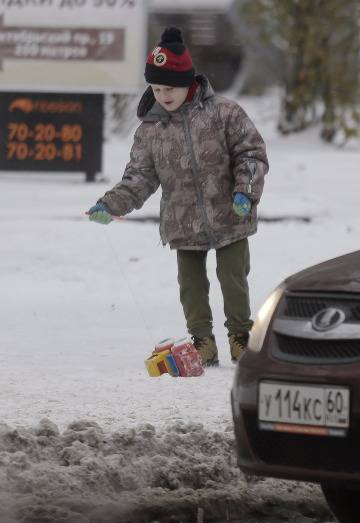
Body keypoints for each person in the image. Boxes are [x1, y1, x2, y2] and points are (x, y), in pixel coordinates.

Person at [86, 27, 268, 367]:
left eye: (169, 88)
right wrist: (111, 204)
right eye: (156, 89)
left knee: (233, 277)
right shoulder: (151, 130)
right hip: (182, 220)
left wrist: (245, 191)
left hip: (230, 214)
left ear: (188, 82)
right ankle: (203, 341)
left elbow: (251, 153)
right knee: (190, 284)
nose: (163, 95)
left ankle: (241, 336)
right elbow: (139, 177)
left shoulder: (223, 113)